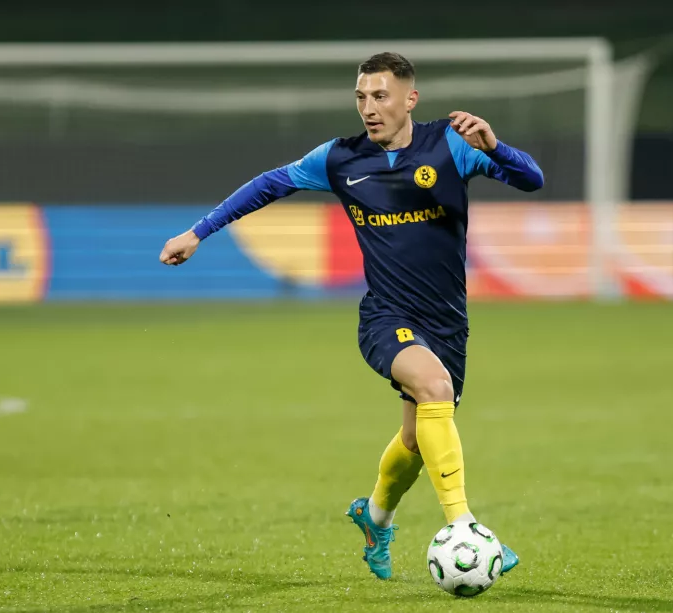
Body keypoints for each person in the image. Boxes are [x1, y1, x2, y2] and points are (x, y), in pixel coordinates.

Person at [159, 52, 544, 580]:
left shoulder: (451, 144)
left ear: (410, 99)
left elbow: (532, 179)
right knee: (433, 388)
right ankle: (464, 527)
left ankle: (375, 517)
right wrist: (197, 233)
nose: (368, 107)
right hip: (386, 316)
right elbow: (269, 184)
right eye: (361, 97)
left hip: (448, 322)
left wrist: (495, 148)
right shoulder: (340, 158)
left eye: (380, 96)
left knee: (417, 439)